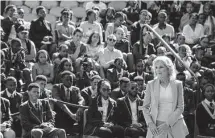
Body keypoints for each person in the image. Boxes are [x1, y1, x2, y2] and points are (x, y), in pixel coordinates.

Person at [143, 56, 189, 138]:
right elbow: (145, 107)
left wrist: (168, 123)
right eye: (156, 67)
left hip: (175, 124)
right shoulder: (151, 84)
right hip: (157, 126)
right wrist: (150, 123)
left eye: (161, 67)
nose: (158, 70)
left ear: (168, 69)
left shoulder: (178, 84)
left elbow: (180, 107)